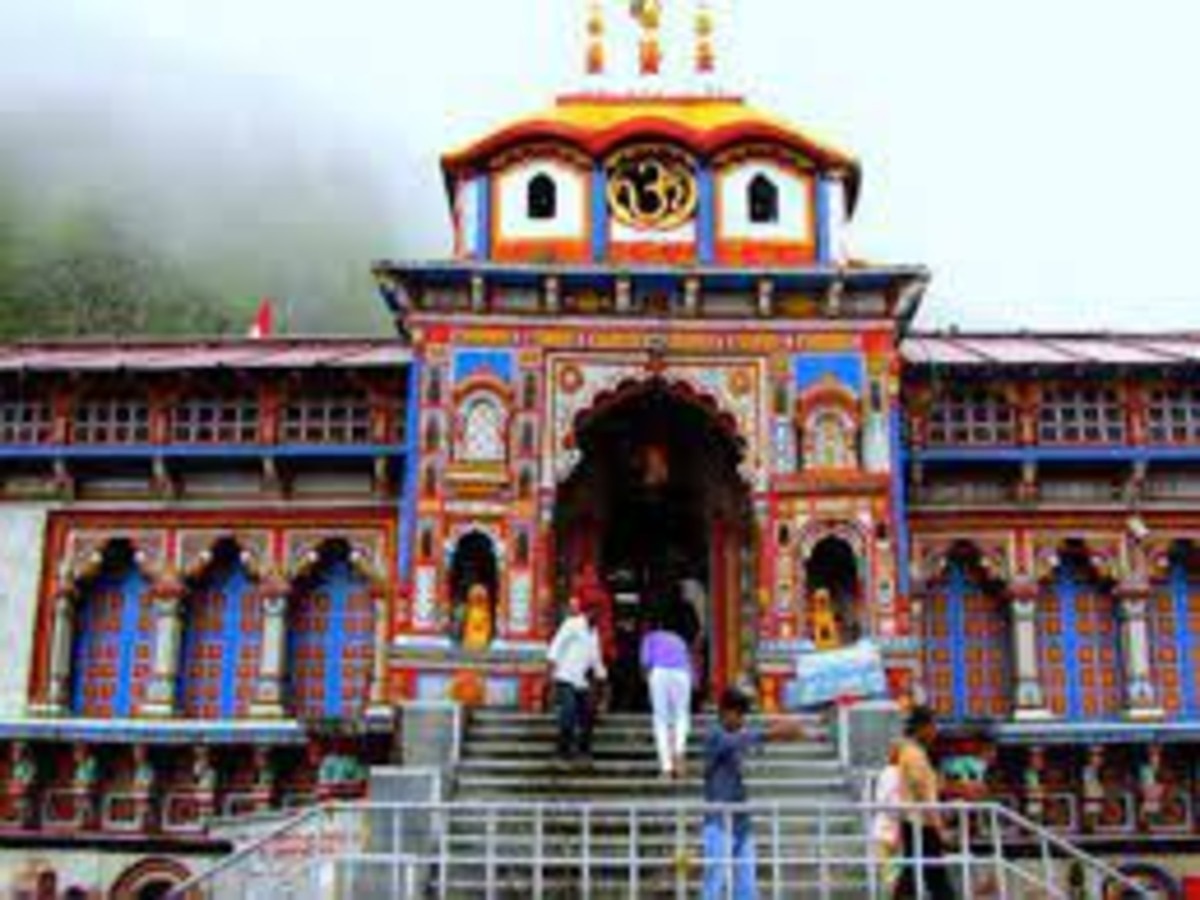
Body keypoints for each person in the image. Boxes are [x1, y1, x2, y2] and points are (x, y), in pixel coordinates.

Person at [702, 686, 807, 900]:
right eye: (737, 714)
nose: (741, 720)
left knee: (747, 887)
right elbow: (736, 741)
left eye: (744, 715)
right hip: (719, 821)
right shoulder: (714, 735)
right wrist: (773, 733)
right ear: (723, 712)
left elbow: (747, 741)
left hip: (741, 821)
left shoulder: (737, 734)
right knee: (714, 884)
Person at [894, 706, 957, 899]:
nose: (935, 731)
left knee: (917, 873)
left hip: (915, 820)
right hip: (920, 822)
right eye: (932, 725)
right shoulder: (913, 754)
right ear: (921, 728)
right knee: (932, 874)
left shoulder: (910, 751)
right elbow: (924, 794)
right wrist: (939, 828)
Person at [546, 595, 607, 763]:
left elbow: (596, 659)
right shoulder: (571, 624)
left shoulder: (594, 632)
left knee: (588, 716)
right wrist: (549, 678)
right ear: (588, 611)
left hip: (582, 682)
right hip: (565, 677)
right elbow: (555, 648)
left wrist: (602, 679)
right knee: (568, 714)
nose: (598, 615)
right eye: (596, 611)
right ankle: (561, 752)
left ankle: (584, 751)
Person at [640, 613, 693, 778]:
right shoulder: (679, 639)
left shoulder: (649, 637)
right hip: (682, 674)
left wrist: (648, 683)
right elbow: (688, 661)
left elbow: (645, 664)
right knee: (681, 715)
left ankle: (666, 767)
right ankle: (679, 750)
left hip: (660, 672)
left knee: (661, 720)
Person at [871, 742, 903, 892]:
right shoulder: (894, 773)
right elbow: (888, 800)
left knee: (888, 877)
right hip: (892, 827)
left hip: (884, 828)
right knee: (892, 877)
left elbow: (882, 799)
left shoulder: (886, 772)